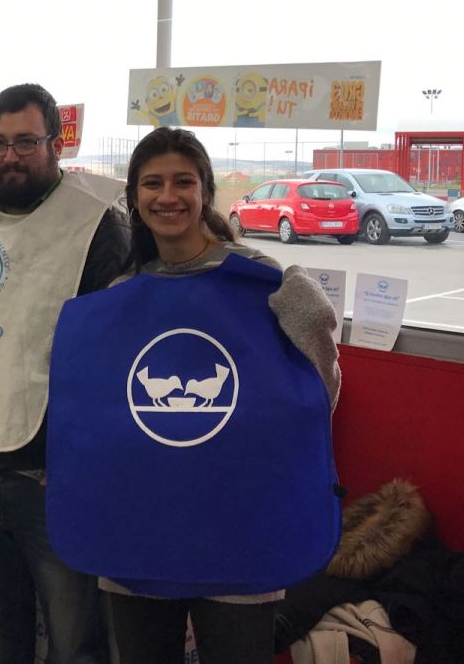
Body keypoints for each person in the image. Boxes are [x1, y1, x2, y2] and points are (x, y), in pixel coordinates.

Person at [95, 126, 341, 664]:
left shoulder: (262, 283)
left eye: (183, 181)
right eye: (152, 183)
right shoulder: (120, 297)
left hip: (237, 527)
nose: (168, 196)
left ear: (205, 191)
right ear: (134, 198)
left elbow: (316, 396)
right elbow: (94, 405)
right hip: (144, 526)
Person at [0, 83, 130, 664]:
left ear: (55, 144)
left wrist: (81, 463)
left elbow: (111, 359)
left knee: (75, 640)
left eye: (26, 142)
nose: (10, 156)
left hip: (52, 480)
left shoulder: (97, 227)